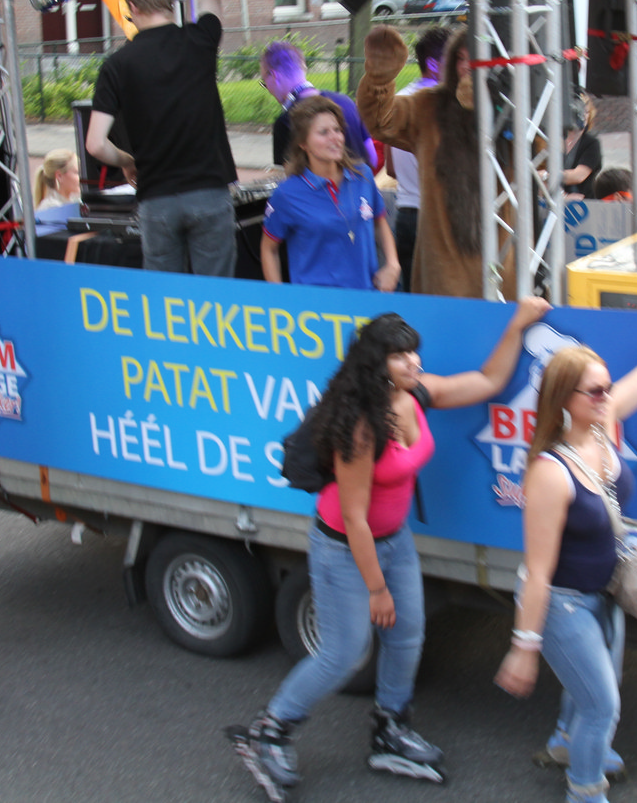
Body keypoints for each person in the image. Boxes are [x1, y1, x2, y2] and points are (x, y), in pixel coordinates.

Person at [232, 300, 550, 797]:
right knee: (343, 654)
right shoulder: (360, 427)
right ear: (375, 364)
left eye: (414, 352)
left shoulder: (416, 394)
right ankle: (269, 732)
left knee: (407, 636)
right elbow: (354, 517)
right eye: (400, 356)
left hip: (395, 539)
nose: (414, 362)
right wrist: (377, 589)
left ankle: (390, 728)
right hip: (344, 546)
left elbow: (487, 380)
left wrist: (518, 323)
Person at [494, 281, 637, 803]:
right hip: (564, 605)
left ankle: (565, 741)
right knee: (603, 708)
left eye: (606, 387)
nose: (606, 396)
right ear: (565, 401)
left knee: (593, 694)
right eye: (594, 391)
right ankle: (584, 791)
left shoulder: (601, 426)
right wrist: (523, 648)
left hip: (605, 593)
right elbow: (538, 572)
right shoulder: (550, 473)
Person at [85, 0, 239, 278]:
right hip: (209, 191)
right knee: (216, 296)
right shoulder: (199, 40)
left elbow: (95, 144)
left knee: (164, 298)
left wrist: (128, 160)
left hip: (156, 198)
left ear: (133, 8)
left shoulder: (117, 64)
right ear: (170, 2)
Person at [356, 27, 500, 298]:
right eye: (461, 58)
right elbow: (380, 120)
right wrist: (379, 77)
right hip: (441, 249)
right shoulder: (429, 106)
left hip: (499, 247)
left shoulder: (510, 110)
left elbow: (544, 151)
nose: (468, 67)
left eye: (476, 59)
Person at [260, 97, 400, 292]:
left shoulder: (363, 176)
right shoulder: (287, 194)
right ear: (303, 143)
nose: (335, 138)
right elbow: (269, 249)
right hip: (316, 304)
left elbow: (380, 221)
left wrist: (392, 264)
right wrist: (280, 297)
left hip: (366, 297)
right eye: (323, 132)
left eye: (337, 130)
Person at [389, 27, 450, 292]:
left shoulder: (399, 100)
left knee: (414, 298)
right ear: (434, 64)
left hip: (406, 213)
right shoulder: (441, 104)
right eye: (456, 59)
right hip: (438, 216)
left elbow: (391, 168)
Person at [262, 40, 376, 170]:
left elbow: (291, 175)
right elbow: (372, 157)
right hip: (363, 181)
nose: (268, 89)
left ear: (274, 76)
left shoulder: (286, 121)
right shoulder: (346, 101)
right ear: (303, 67)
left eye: (264, 82)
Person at [560, 93, 603, 198]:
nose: (583, 116)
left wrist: (547, 176)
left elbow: (578, 176)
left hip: (584, 202)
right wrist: (563, 196)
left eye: (587, 112)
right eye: (579, 112)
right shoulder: (553, 139)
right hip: (555, 200)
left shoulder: (592, 143)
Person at [32, 148, 80, 232]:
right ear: (59, 176)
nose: (81, 177)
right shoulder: (50, 209)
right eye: (77, 173)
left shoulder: (72, 204)